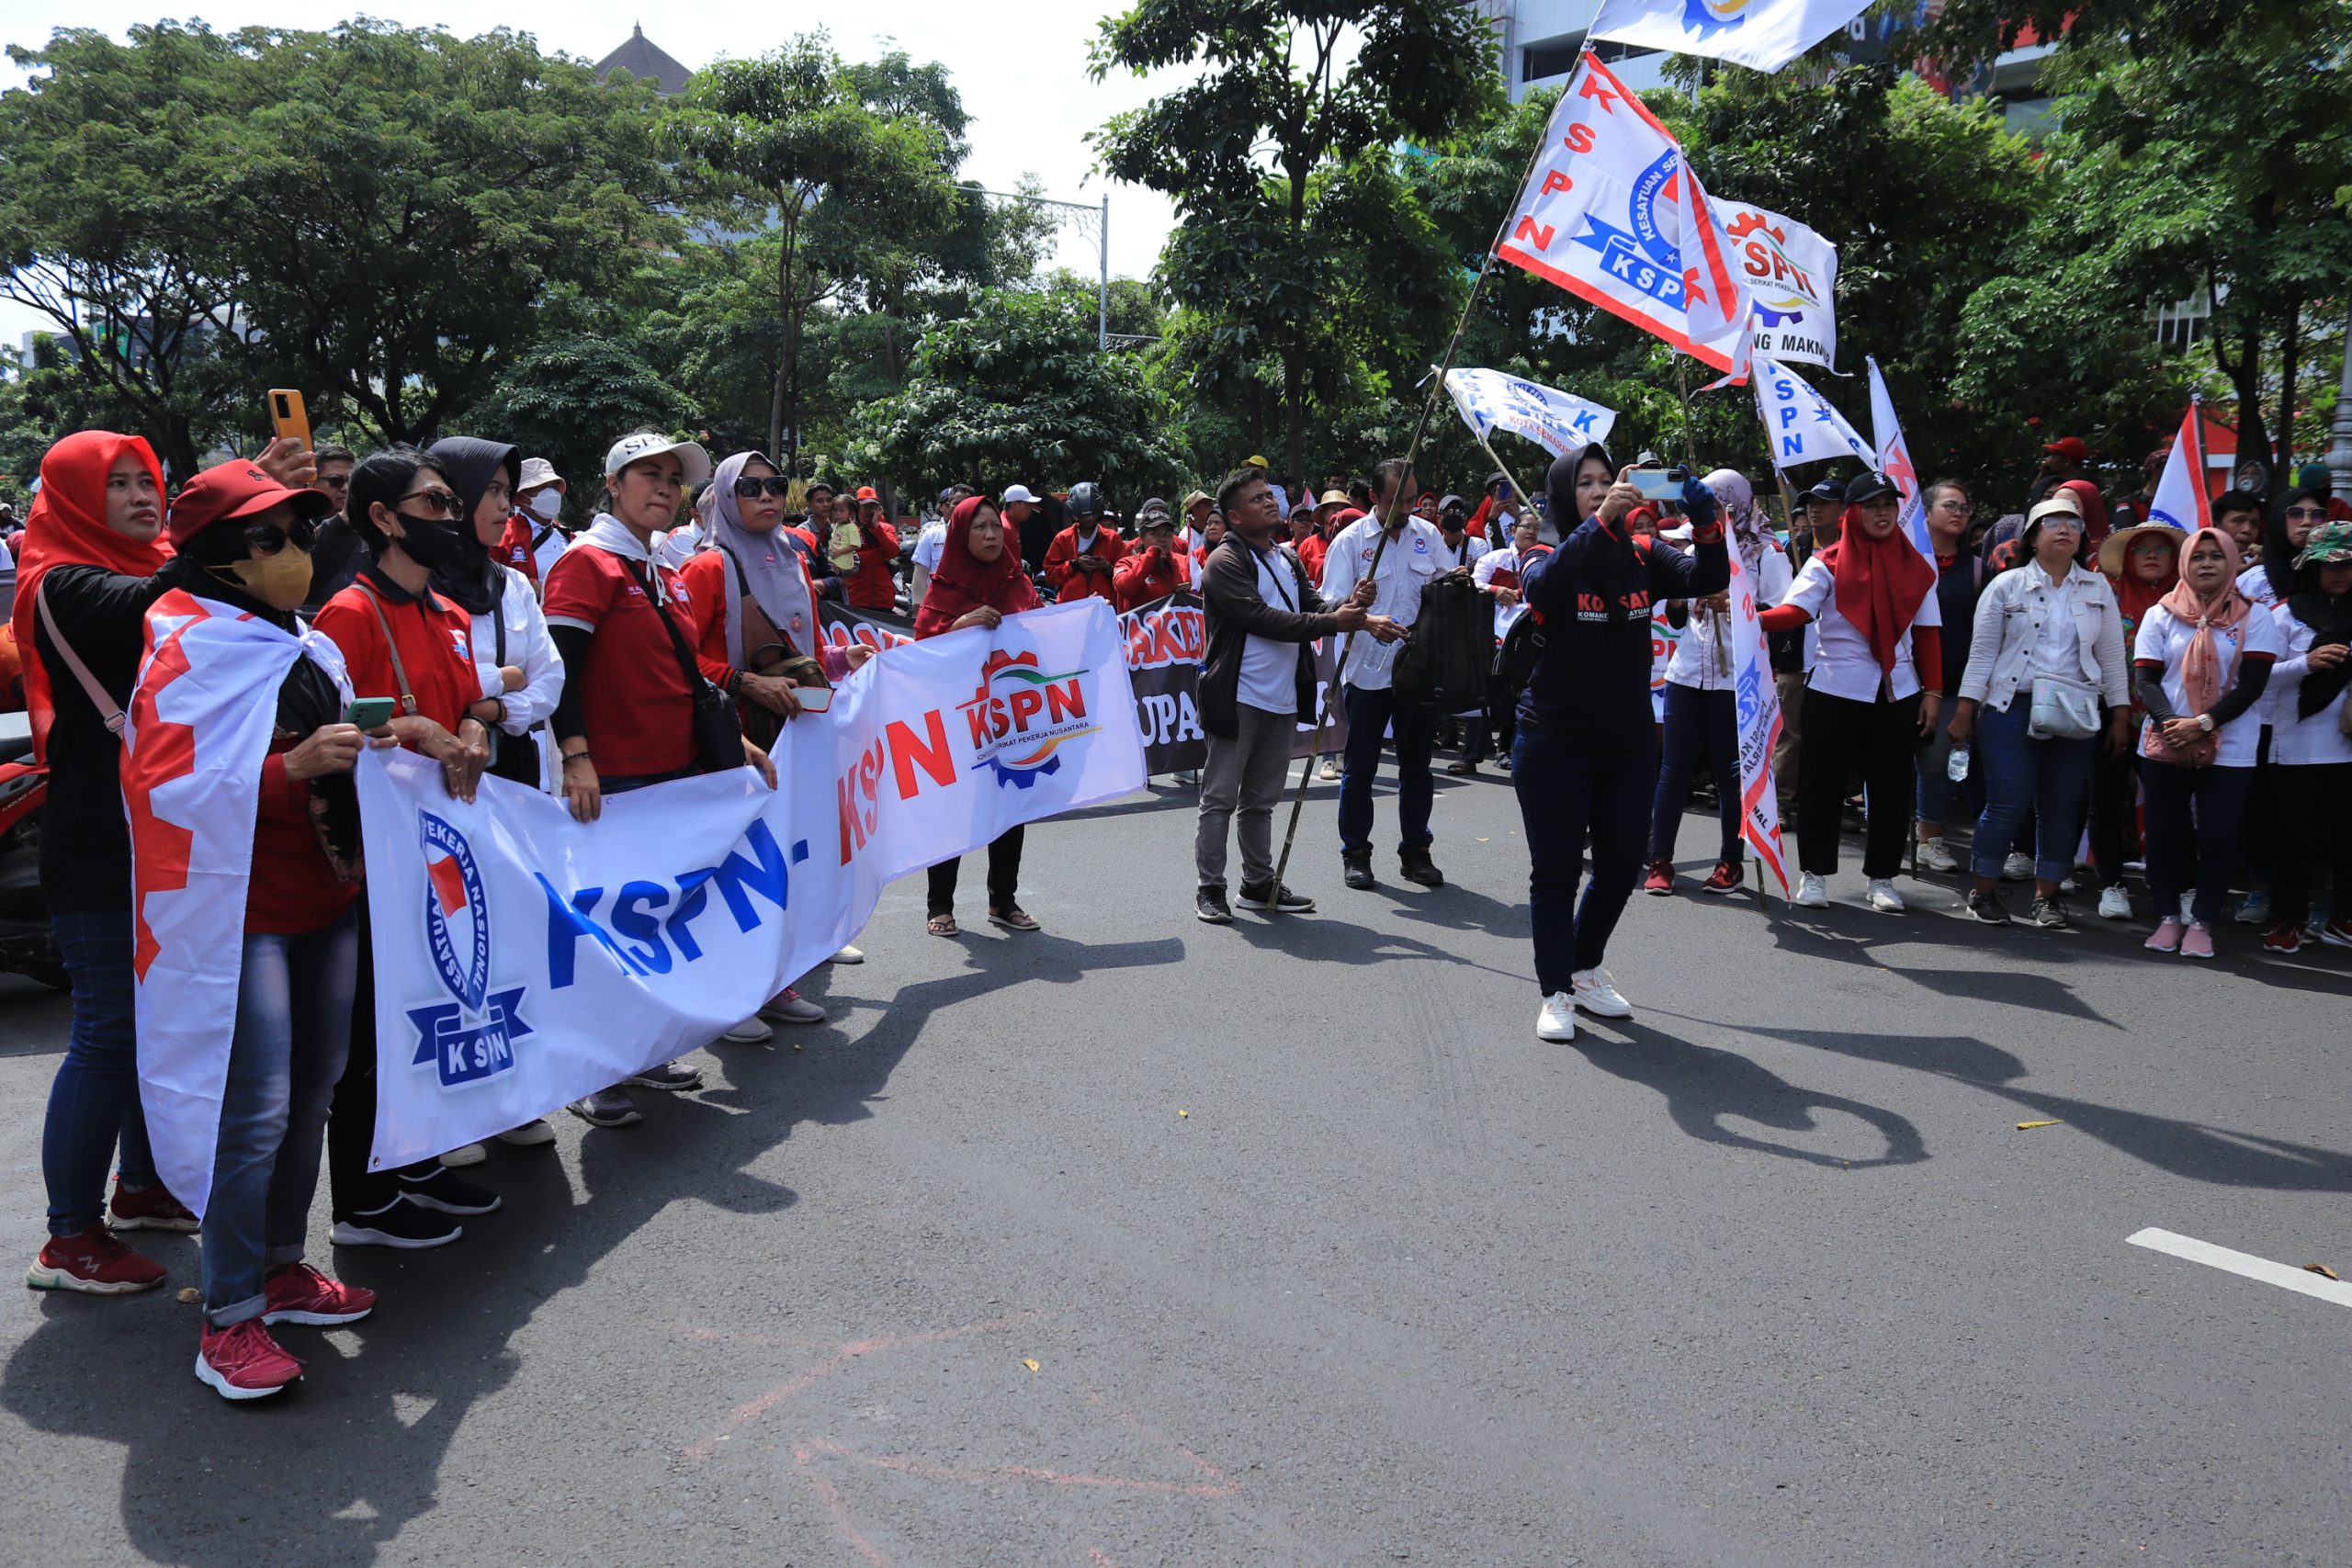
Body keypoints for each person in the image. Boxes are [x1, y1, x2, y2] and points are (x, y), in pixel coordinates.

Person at [141, 458, 379, 1399]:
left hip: (326, 898)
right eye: (269, 538)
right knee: (254, 1118)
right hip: (240, 916)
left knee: (313, 1094)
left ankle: (281, 1268)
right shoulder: (185, 642)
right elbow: (159, 789)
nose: (296, 552)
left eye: (304, 533)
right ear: (215, 558)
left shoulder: (307, 643)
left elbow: (339, 755)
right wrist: (289, 769)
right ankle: (228, 1315)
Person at [541, 431, 778, 1126]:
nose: (666, 487)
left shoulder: (657, 566)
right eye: (649, 473)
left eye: (675, 477)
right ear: (612, 484)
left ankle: (642, 1054)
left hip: (674, 774)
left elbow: (680, 676)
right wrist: (578, 756)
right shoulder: (588, 564)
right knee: (607, 926)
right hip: (614, 777)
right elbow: (561, 671)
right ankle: (596, 1072)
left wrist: (731, 736)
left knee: (655, 923)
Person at [16, 432, 194, 1296]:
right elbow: (166, 601)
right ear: (77, 497)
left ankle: (141, 1186)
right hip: (96, 840)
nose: (140, 496)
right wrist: (228, 515)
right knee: (108, 1032)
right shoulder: (63, 580)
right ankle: (68, 1237)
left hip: (157, 832)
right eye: (116, 484)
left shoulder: (153, 562)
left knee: (153, 1024)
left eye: (148, 481)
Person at [310, 446, 502, 1246]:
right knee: (366, 1028)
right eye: (431, 506)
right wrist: (416, 728)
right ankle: (358, 1200)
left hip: (439, 854)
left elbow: (477, 706)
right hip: (372, 862)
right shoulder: (347, 615)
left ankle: (410, 1159)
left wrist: (467, 726)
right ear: (382, 519)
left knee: (421, 1007)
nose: (448, 519)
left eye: (450, 506)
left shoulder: (449, 616)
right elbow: (333, 729)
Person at [1515, 449, 1725, 1041]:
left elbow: (1707, 579)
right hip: (1554, 739)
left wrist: (1705, 522)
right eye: (1585, 484)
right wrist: (1601, 519)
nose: (1601, 490)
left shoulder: (1643, 551)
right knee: (1555, 873)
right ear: (1564, 494)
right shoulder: (1545, 550)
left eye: (1609, 481)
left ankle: (1583, 967)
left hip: (1629, 743)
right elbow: (1547, 589)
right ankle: (1555, 988)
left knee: (1618, 867)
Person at [684, 449, 874, 1002]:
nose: (766, 496)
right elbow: (682, 660)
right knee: (744, 859)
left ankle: (796, 951)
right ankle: (738, 991)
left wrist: (839, 662)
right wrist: (746, 682)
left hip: (799, 727)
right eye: (750, 487)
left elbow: (801, 650)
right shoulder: (706, 566)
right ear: (723, 496)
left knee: (796, 844)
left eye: (775, 485)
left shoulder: (792, 555)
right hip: (739, 731)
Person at [1193, 468, 1387, 921]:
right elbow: (1261, 618)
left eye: (1269, 495)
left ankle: (1257, 884)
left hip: (1281, 698)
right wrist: (1334, 622)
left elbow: (1311, 606)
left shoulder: (1286, 557)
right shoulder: (1223, 562)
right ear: (1235, 517)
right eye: (1257, 499)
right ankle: (1210, 888)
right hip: (1236, 697)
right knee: (1220, 799)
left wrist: (1349, 606)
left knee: (1261, 801)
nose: (1270, 502)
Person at [1757, 472, 1944, 914]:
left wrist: (1933, 692)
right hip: (1835, 688)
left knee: (1892, 787)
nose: (1882, 512)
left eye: (1889, 505)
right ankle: (1815, 875)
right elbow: (1794, 611)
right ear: (1852, 513)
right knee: (1820, 784)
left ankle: (1882, 878)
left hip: (1897, 692)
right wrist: (1753, 616)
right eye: (1872, 504)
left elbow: (1929, 633)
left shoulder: (1917, 565)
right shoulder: (1825, 562)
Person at [1945, 494, 2132, 928]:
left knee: (2062, 806)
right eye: (2052, 522)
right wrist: (1965, 710)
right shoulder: (2005, 586)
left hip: (2075, 709)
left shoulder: (2097, 587)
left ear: (2083, 534)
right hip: (2010, 708)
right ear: (2032, 535)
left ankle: (2047, 897)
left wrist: (2120, 713)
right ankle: (1983, 891)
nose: (2064, 528)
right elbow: (1983, 654)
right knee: (2008, 803)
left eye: (2073, 522)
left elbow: (2111, 657)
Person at [2133, 526, 2279, 958]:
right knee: (2164, 834)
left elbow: (2253, 685)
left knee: (2218, 837)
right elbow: (2146, 679)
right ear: (2185, 564)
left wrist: (2204, 723)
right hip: (2166, 741)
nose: (2207, 564)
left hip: (2230, 745)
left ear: (2232, 562)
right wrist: (2173, 725)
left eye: (2217, 556)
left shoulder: (2257, 617)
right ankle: (2167, 916)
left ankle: (2202, 921)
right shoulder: (2159, 614)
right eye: (2198, 557)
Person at [1645, 470, 1792, 896]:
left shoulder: (1766, 553)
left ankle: (1731, 861)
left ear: (1737, 505)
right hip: (1687, 673)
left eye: (1719, 507)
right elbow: (1674, 619)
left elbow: (1783, 615)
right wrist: (1676, 598)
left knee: (1732, 775)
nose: (1712, 515)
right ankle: (1660, 860)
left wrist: (1735, 604)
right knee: (1672, 771)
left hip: (1737, 680)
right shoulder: (1693, 547)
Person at [913, 496, 1042, 936]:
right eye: (979, 527)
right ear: (959, 533)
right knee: (952, 809)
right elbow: (923, 654)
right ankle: (940, 906)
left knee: (1009, 806)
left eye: (995, 527)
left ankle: (1003, 902)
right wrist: (960, 627)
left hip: (1008, 718)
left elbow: (1044, 633)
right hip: (958, 719)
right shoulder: (943, 590)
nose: (990, 535)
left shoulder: (1016, 580)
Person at [1320, 457, 1449, 892]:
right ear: (1375, 497)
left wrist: (1461, 582)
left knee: (1418, 766)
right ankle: (1355, 853)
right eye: (1398, 501)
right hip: (1367, 673)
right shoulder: (1351, 542)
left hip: (1417, 670)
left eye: (1413, 499)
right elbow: (1331, 607)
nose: (1409, 508)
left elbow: (1445, 582)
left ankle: (1416, 852)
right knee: (1361, 768)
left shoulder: (1427, 535)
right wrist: (1362, 611)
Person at [2260, 520, 2352, 952]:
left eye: (2350, 564)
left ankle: (2341, 919)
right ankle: (2288, 919)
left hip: (2348, 750)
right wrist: (2306, 664)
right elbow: (2256, 680)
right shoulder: (2284, 615)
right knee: (2295, 844)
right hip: (2298, 752)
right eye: (2330, 564)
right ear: (2311, 568)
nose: (2341, 572)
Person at [2086, 518, 2182, 919]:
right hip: (2111, 715)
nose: (2153, 556)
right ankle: (2111, 884)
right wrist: (2118, 714)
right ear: (2127, 556)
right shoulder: (2104, 596)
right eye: (2143, 548)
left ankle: (2180, 888)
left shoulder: (2190, 600)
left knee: (2170, 809)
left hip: (2174, 721)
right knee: (2105, 800)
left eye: (2161, 549)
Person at [1915, 480, 1988, 872]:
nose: (1960, 513)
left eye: (1965, 507)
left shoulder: (1978, 569)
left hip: (1955, 682)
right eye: (1950, 506)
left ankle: (1931, 840)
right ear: (1926, 514)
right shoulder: (1906, 561)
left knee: (1937, 761)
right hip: (1903, 678)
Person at [1043, 482, 1124, 604]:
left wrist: (1107, 567)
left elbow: (1125, 576)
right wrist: (1074, 565)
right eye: (1083, 516)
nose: (1088, 519)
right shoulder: (1063, 538)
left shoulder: (1113, 539)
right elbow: (1050, 575)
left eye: (1092, 515)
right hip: (1071, 610)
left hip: (1103, 607)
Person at [499, 456, 571, 590]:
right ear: (519, 498)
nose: (551, 493)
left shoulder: (570, 537)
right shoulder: (502, 534)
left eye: (554, 487)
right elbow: (485, 577)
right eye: (542, 487)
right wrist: (525, 585)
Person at [1114, 504, 1192, 611]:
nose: (1162, 539)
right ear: (1142, 537)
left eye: (1167, 534)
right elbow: (1125, 588)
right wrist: (1151, 556)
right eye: (1155, 534)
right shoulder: (1126, 563)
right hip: (1140, 626)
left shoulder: (1184, 561)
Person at [837, 486, 902, 611]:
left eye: (873, 506)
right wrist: (879, 555)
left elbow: (892, 552)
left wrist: (877, 527)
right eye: (866, 506)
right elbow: (849, 560)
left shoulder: (886, 528)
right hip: (856, 599)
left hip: (883, 599)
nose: (870, 510)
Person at [2028, 435, 2090, 511]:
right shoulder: (2085, 488)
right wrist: (2042, 474)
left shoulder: (2078, 492)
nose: (2049, 458)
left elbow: (2032, 504)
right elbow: (2031, 500)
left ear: (2066, 461)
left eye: (2054, 455)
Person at [2213, 490, 2266, 567]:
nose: (2247, 530)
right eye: (2238, 521)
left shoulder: (2259, 571)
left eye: (2254, 524)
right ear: (2217, 525)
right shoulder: (2199, 565)